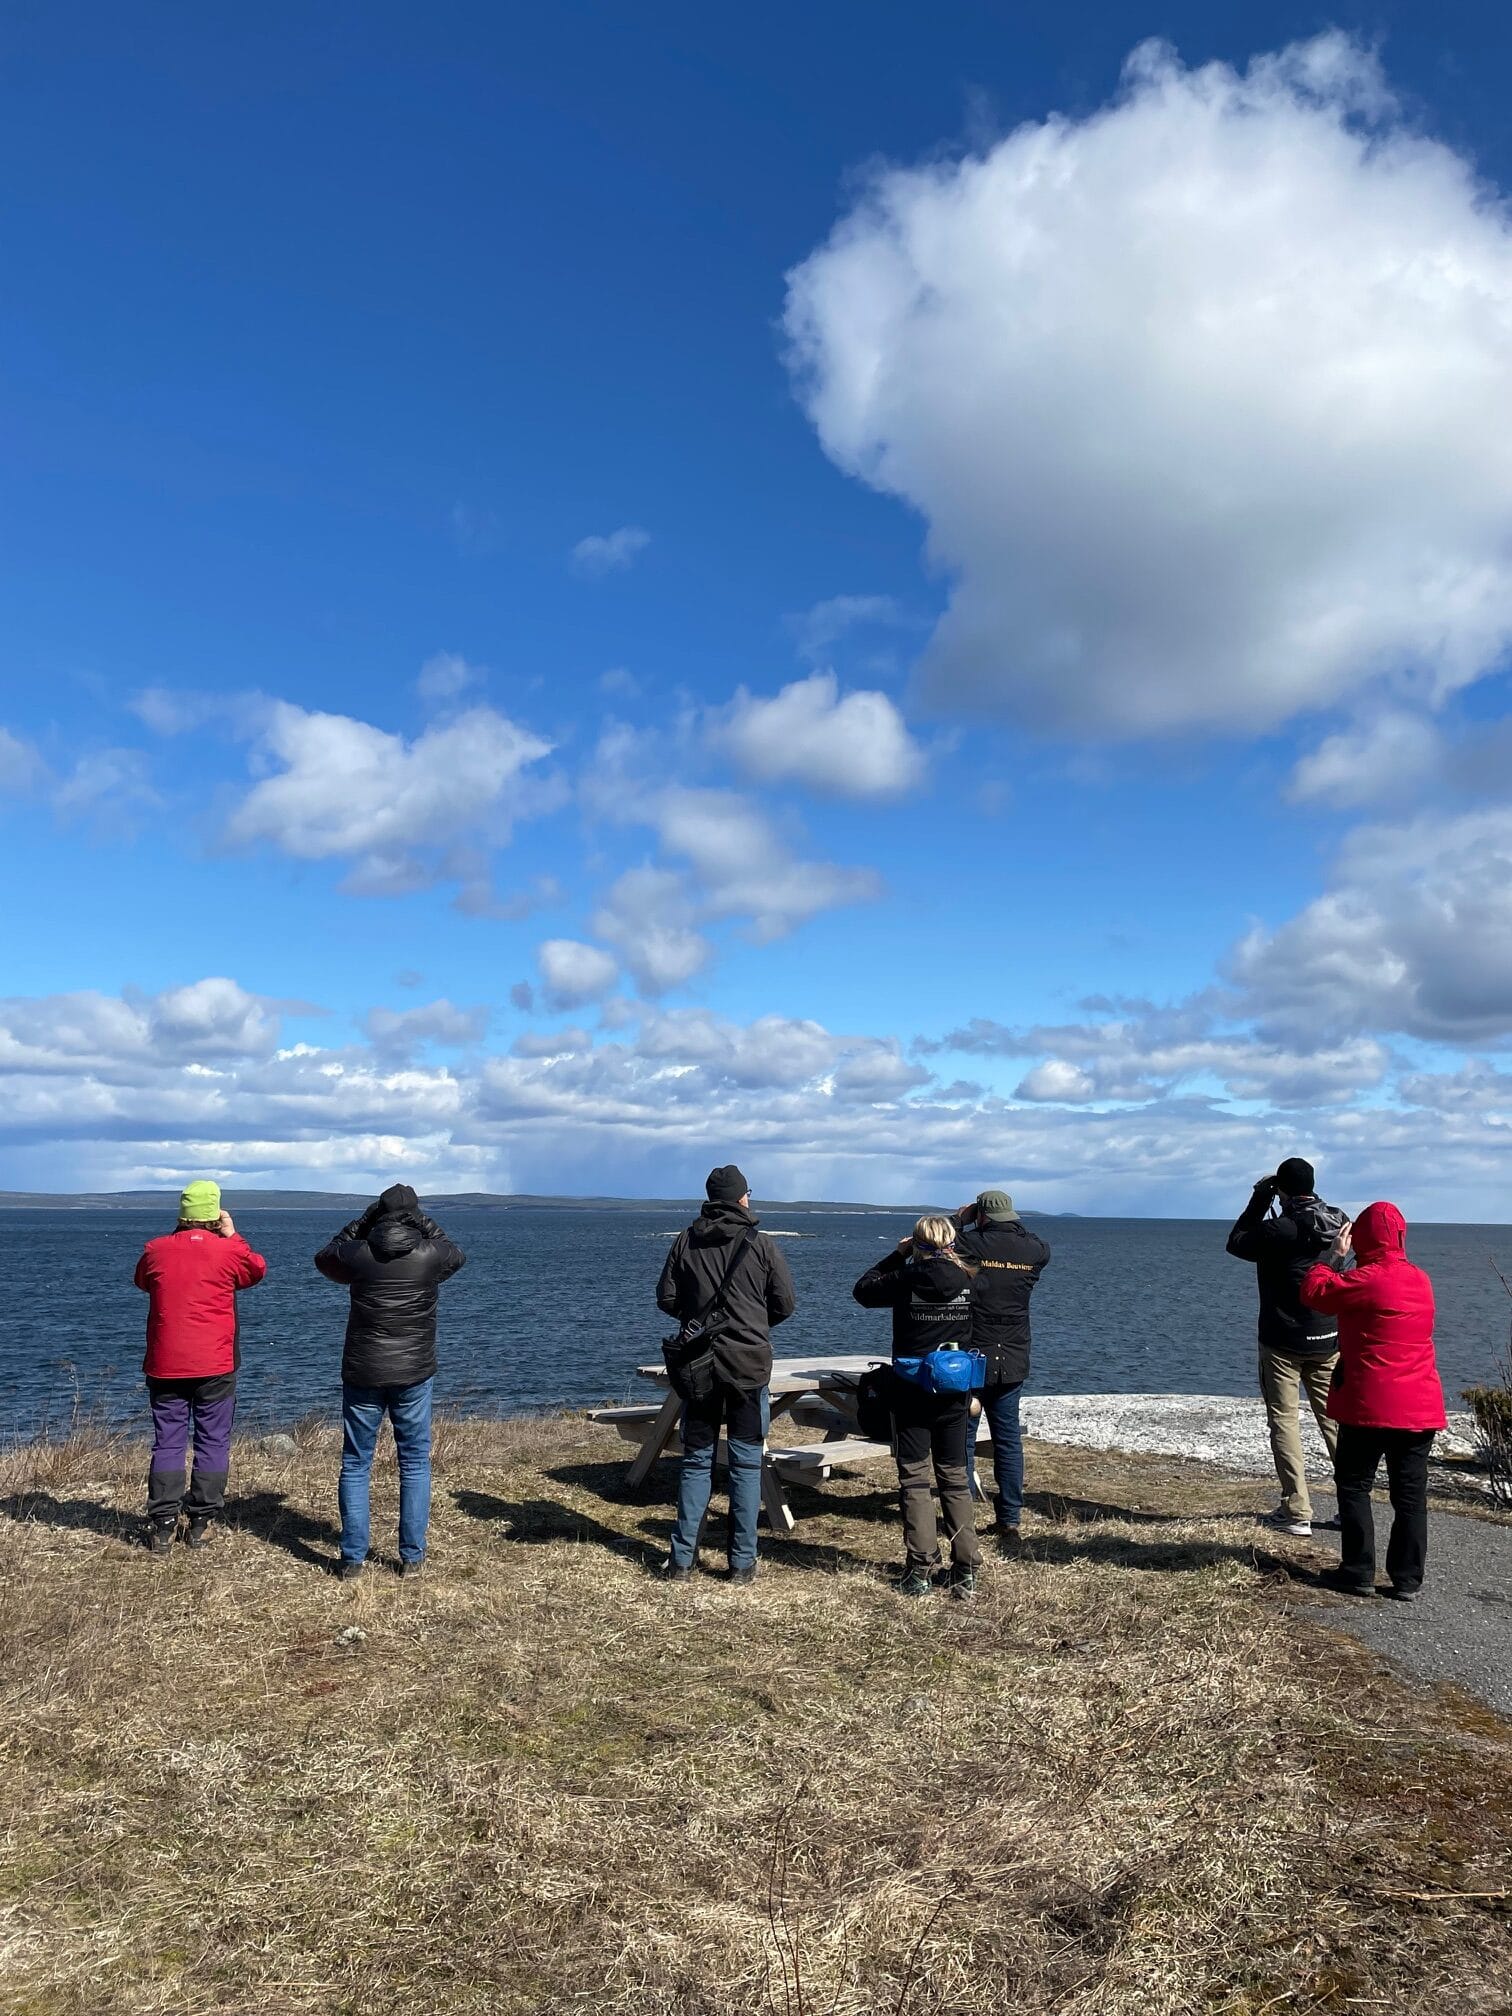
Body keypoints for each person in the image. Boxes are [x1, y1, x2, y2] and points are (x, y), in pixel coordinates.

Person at [314, 1184, 466, 1581]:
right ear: (415, 1217)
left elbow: (325, 1257)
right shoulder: (430, 1255)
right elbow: (456, 1253)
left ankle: (352, 1559)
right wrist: (424, 1222)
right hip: (414, 1371)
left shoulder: (358, 1255)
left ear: (376, 1215)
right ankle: (412, 1558)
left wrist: (362, 1223)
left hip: (363, 1369)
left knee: (355, 1461)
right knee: (414, 1462)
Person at [655, 1165, 796, 1586]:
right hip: (748, 1365)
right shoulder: (762, 1244)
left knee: (696, 1460)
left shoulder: (686, 1239)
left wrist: (697, 1319)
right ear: (741, 1198)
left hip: (698, 1365)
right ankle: (741, 1564)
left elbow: (666, 1297)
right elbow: (785, 1303)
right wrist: (752, 1324)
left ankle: (681, 1562)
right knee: (746, 1464)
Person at [1300, 1202, 1446, 1601]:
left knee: (1354, 1485)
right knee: (1410, 1496)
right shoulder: (1421, 1279)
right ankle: (1407, 1579)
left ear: (1361, 1238)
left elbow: (1314, 1293)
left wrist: (1332, 1256)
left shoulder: (1366, 1279)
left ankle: (1358, 1570)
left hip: (1367, 1404)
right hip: (1419, 1406)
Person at [133, 1180, 267, 1554]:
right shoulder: (227, 1253)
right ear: (214, 1214)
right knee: (212, 1440)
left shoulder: (155, 1250)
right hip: (216, 1363)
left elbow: (142, 1280)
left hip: (165, 1364)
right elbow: (255, 1271)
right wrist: (233, 1236)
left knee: (169, 1442)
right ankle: (201, 1524)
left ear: (181, 1213)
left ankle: (162, 1526)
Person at [853, 1215, 982, 1599]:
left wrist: (897, 1254)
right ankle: (965, 1567)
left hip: (911, 1389)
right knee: (954, 1479)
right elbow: (968, 1257)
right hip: (955, 1390)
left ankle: (921, 1568)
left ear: (918, 1245)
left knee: (914, 1480)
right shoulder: (971, 1279)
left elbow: (863, 1291)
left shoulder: (907, 1278)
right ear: (951, 1244)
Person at [1226, 1157, 1348, 1537]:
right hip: (1328, 1335)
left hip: (1282, 1338)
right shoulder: (1338, 1220)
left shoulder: (1280, 1228)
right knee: (1335, 1422)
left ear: (1281, 1189)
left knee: (1284, 1421)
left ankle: (1297, 1511)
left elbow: (1237, 1243)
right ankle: (1352, 1505)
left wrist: (1259, 1200)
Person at [952, 1189, 1050, 1556]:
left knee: (962, 1436)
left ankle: (960, 1518)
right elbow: (1040, 1245)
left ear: (981, 1215)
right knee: (1008, 1440)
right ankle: (1009, 1518)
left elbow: (935, 1243)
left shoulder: (969, 1243)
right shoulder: (1035, 1251)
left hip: (972, 1350)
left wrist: (960, 1219)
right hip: (1013, 1352)